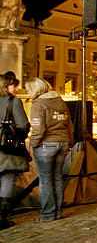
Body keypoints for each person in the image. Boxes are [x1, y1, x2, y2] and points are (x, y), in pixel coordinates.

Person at [27, 78, 74, 222]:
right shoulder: (60, 101)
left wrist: (32, 143)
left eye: (29, 89)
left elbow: (38, 129)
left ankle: (47, 214)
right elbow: (69, 124)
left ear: (36, 89)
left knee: (46, 180)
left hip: (46, 144)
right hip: (62, 142)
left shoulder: (38, 104)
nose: (28, 92)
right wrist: (69, 141)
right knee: (57, 178)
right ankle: (57, 211)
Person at [0, 74, 29, 229]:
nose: (17, 89)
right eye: (14, 86)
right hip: (6, 147)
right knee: (7, 178)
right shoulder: (13, 102)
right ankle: (2, 217)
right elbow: (23, 125)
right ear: (6, 87)